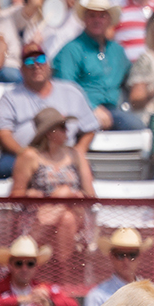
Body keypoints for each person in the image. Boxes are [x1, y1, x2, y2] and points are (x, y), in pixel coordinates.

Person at [11, 106, 96, 277]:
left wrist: (70, 195)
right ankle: (62, 274)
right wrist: (32, 195)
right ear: (50, 133)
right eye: (63, 127)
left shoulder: (75, 155)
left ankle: (44, 261)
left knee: (65, 201)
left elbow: (91, 195)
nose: (68, 130)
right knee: (66, 219)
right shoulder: (30, 156)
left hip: (65, 215)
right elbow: (16, 195)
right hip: (39, 215)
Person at [0, 45, 99, 178]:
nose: (36, 65)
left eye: (41, 59)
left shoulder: (71, 91)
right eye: (29, 62)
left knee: (85, 169)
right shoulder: (10, 97)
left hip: (64, 154)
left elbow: (90, 128)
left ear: (48, 65)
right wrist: (24, 153)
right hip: (24, 154)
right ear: (21, 70)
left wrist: (78, 151)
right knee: (3, 168)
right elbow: (3, 134)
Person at [54, 0, 142, 130]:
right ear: (85, 19)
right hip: (79, 112)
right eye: (92, 15)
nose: (97, 20)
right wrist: (92, 108)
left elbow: (131, 77)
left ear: (109, 20)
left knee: (138, 126)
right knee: (133, 126)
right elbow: (66, 87)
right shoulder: (72, 49)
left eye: (102, 16)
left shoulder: (117, 51)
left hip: (114, 110)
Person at [0, 234, 78, 306]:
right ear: (10, 265)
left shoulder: (44, 288)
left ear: (36, 266)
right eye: (19, 263)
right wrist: (23, 299)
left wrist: (50, 304)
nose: (24, 268)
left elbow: (73, 304)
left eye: (30, 264)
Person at [84, 227, 151, 306]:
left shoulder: (151, 292)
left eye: (132, 255)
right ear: (111, 257)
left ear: (140, 257)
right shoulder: (97, 297)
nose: (126, 261)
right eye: (120, 255)